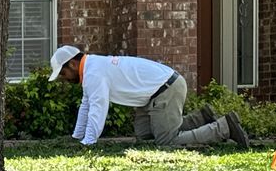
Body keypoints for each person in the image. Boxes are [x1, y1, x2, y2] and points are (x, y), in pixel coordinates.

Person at [50, 45, 250, 150]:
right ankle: (201, 118)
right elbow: (86, 105)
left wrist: (89, 142)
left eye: (63, 74)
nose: (63, 79)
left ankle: (223, 127)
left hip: (165, 89)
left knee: (167, 141)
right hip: (156, 92)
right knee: (144, 135)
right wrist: (77, 137)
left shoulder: (93, 72)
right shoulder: (92, 67)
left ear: (73, 65)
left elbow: (98, 108)